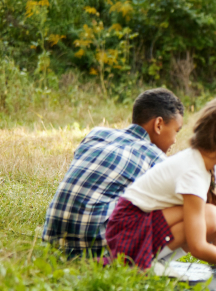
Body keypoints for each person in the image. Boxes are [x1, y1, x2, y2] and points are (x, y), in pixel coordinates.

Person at [105, 96, 216, 288]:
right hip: (127, 235)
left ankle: (154, 261)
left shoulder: (206, 166)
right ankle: (142, 265)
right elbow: (197, 247)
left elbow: (214, 224)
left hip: (139, 230)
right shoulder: (193, 172)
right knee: (211, 217)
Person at [42, 88, 184, 257]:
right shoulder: (155, 158)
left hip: (52, 243)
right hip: (98, 249)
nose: (175, 140)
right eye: (176, 131)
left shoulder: (97, 134)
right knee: (190, 211)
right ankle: (149, 265)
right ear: (158, 124)